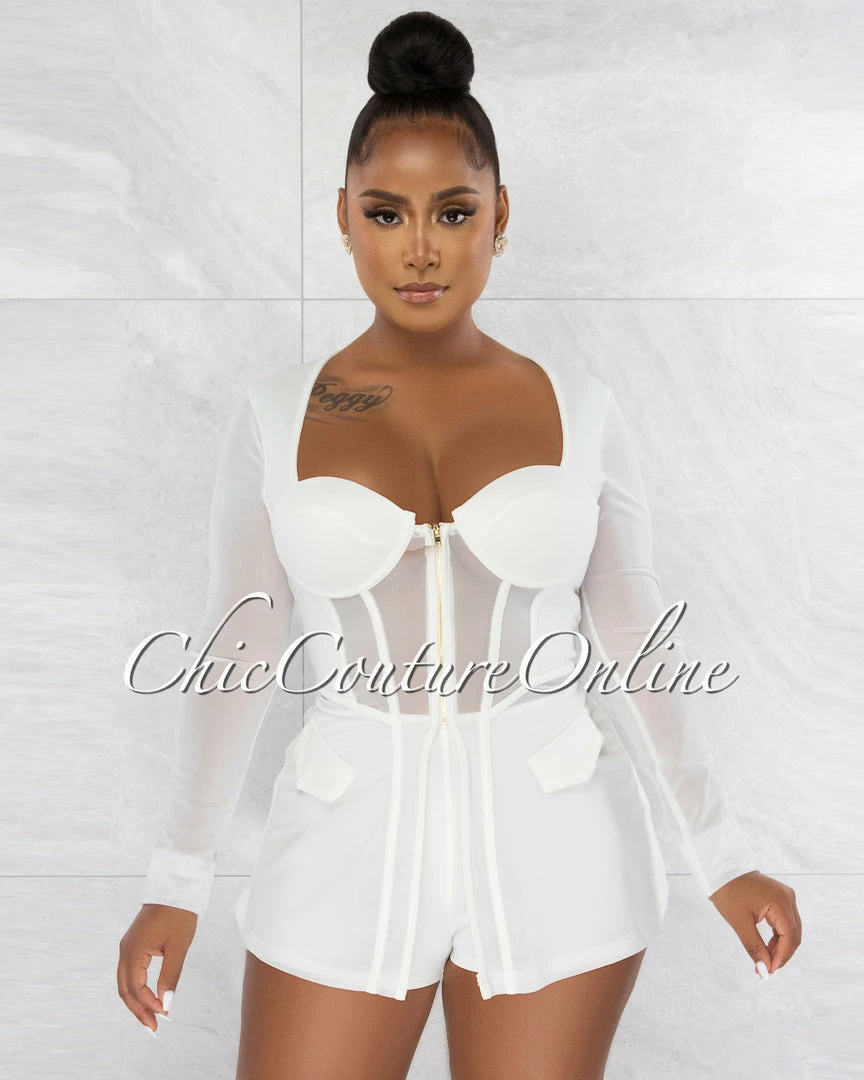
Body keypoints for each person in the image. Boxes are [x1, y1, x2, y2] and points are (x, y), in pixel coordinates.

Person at [117, 11, 802, 1079]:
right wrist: (177, 878)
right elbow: (237, 653)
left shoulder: (582, 409)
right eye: (386, 213)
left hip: (561, 847)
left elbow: (637, 640)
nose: (421, 248)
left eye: (453, 211)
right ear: (343, 217)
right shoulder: (273, 419)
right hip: (339, 847)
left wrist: (722, 854)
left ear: (500, 215)